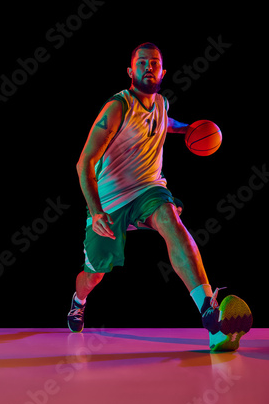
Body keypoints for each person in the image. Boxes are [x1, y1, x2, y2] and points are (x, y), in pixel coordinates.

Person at [67, 42, 252, 351]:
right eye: (142, 62)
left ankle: (209, 313)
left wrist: (189, 129)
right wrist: (95, 211)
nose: (148, 67)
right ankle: (78, 300)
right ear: (131, 71)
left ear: (163, 71)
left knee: (170, 218)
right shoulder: (117, 107)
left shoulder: (162, 105)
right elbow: (83, 162)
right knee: (93, 275)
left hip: (149, 189)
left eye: (154, 63)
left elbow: (166, 123)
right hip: (109, 203)